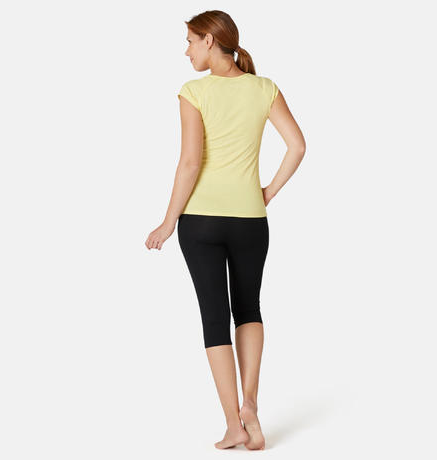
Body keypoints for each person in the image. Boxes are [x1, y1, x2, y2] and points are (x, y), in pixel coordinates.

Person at [145, 10, 306, 451]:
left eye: (190, 41)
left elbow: (189, 163)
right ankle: (250, 403)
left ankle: (234, 425)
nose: (187, 50)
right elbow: (297, 146)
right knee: (249, 309)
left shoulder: (194, 92)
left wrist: (169, 220)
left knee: (215, 319)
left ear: (210, 41)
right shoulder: (264, 88)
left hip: (201, 221)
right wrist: (267, 192)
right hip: (251, 220)